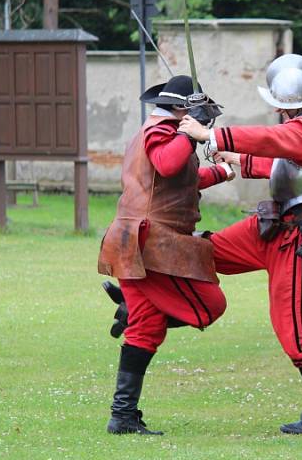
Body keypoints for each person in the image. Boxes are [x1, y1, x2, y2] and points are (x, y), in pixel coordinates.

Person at [178, 53, 302, 434]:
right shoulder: (299, 128)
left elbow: (273, 140)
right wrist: (233, 156)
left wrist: (212, 135)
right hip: (273, 225)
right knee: (207, 251)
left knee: (296, 325)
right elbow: (280, 165)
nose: (281, 112)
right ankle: (151, 303)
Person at [97, 75, 234, 435]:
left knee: (146, 326)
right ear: (180, 108)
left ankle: (122, 416)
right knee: (211, 304)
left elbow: (179, 179)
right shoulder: (161, 129)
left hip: (140, 242)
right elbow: (168, 164)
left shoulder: (168, 131)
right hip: (151, 244)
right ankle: (129, 306)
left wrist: (221, 171)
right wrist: (189, 133)